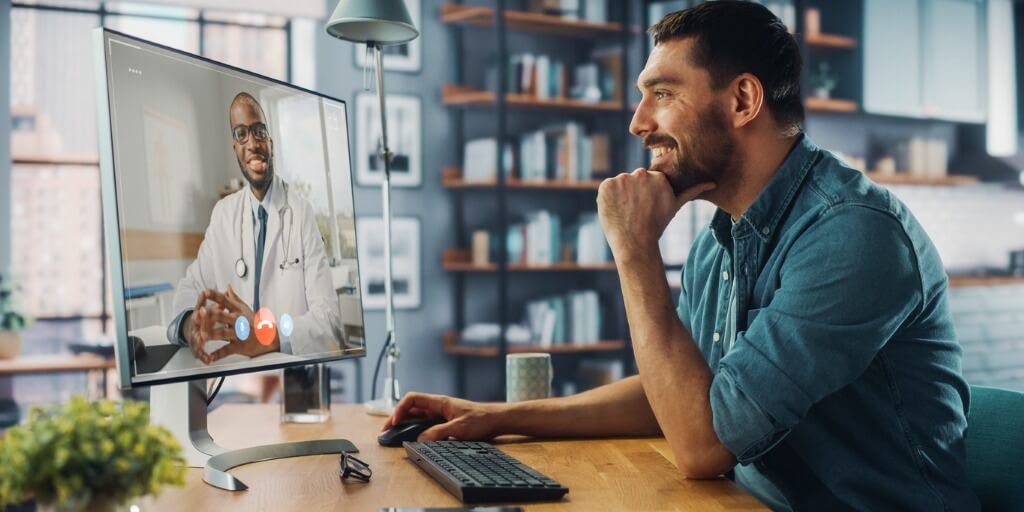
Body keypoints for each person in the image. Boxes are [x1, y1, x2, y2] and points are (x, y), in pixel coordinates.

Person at [382, 2, 979, 510]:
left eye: (662, 94)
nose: (639, 122)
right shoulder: (718, 238)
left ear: (743, 100)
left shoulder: (851, 236)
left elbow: (702, 445)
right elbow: (682, 397)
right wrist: (495, 418)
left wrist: (635, 250)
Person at [166, 92, 344, 365]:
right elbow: (190, 288)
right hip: (235, 372)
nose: (252, 143)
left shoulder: (300, 212)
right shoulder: (223, 214)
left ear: (271, 143)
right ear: (235, 148)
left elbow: (329, 320)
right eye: (241, 134)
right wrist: (192, 324)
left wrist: (268, 335)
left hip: (288, 371)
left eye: (259, 131)